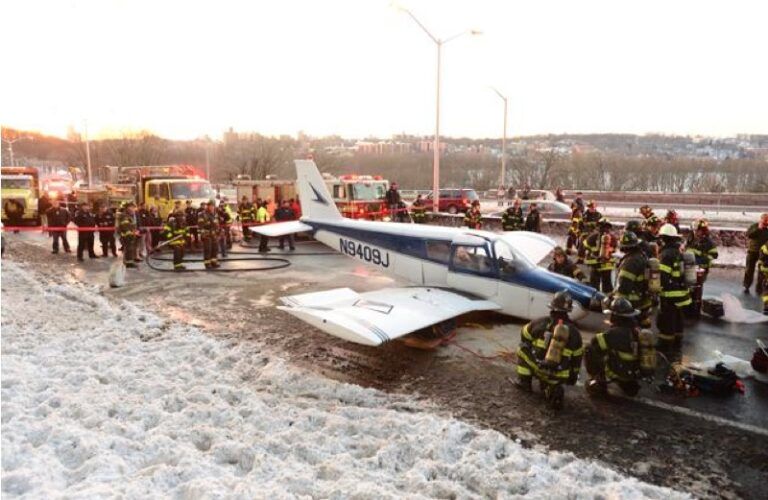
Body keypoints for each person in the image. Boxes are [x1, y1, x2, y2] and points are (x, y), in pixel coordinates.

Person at [515, 290, 583, 410]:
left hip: (538, 366)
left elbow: (524, 336)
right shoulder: (575, 332)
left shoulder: (539, 322)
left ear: (552, 307)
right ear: (569, 310)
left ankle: (524, 382)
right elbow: (577, 357)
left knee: (522, 348)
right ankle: (552, 389)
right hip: (559, 374)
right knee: (553, 382)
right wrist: (572, 376)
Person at [585, 298, 650, 397]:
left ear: (616, 316)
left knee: (589, 349)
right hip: (634, 372)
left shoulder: (614, 333)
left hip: (618, 371)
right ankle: (629, 385)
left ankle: (598, 382)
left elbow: (595, 343)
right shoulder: (638, 330)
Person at [656, 223, 691, 349]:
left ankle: (665, 347)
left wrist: (656, 290)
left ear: (664, 239)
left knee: (666, 321)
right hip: (681, 293)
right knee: (678, 319)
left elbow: (663, 277)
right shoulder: (678, 252)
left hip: (670, 294)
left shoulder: (666, 255)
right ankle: (677, 343)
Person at [614, 231, 652, 328]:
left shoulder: (630, 262)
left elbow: (624, 285)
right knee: (642, 325)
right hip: (643, 300)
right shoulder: (641, 256)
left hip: (632, 301)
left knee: (625, 326)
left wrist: (616, 301)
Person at [583, 218, 616, 293]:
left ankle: (595, 299)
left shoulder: (592, 237)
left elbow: (585, 248)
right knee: (607, 285)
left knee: (594, 285)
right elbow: (615, 250)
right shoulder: (613, 238)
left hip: (595, 264)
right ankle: (607, 300)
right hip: (606, 265)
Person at [744, 213, 768, 295]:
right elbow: (749, 235)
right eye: (764, 221)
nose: (766, 223)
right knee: (749, 269)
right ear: (761, 220)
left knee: (762, 271)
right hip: (753, 251)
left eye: (767, 221)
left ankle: (759, 289)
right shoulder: (755, 226)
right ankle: (746, 286)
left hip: (764, 253)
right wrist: (759, 229)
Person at [163, 207, 188, 271]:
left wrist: (187, 238)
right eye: (179, 216)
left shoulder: (184, 223)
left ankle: (180, 264)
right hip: (174, 241)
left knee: (182, 253)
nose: (181, 217)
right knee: (177, 252)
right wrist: (171, 237)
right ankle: (177, 266)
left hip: (181, 241)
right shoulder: (172, 223)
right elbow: (166, 230)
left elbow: (187, 231)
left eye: (182, 216)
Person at [198, 201, 220, 269]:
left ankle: (214, 262)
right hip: (206, 234)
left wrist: (218, 231)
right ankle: (207, 263)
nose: (212, 207)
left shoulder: (215, 214)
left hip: (214, 234)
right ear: (208, 206)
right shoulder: (202, 214)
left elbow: (217, 223)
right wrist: (202, 234)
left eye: (213, 206)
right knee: (208, 249)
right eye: (211, 206)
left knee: (215, 248)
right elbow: (200, 225)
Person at [117, 202, 140, 268]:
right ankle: (129, 263)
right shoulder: (124, 216)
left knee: (130, 249)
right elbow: (125, 226)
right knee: (129, 249)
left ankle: (128, 261)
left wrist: (134, 231)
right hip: (127, 236)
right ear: (127, 208)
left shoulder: (129, 215)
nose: (133, 209)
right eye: (132, 207)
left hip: (130, 235)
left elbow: (132, 225)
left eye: (133, 207)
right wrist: (132, 233)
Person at [758, 242, 768, 315]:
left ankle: (766, 307)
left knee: (766, 289)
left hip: (765, 269)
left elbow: (761, 259)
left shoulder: (764, 246)